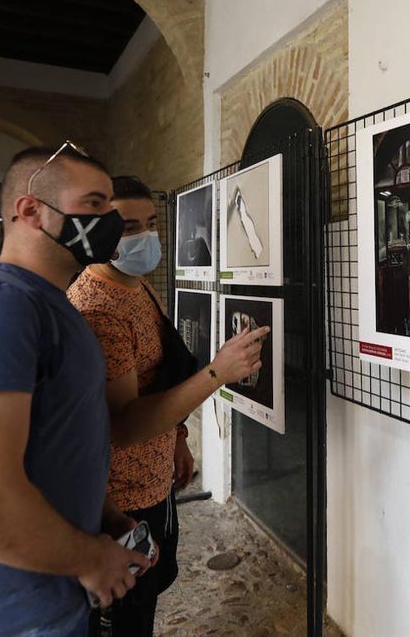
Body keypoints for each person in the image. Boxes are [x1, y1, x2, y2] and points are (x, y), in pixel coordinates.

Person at [0, 143, 152, 637]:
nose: (109, 219)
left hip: (49, 602)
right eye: (93, 203)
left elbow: (53, 442)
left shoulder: (51, 308)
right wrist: (90, 558)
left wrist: (102, 515)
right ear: (30, 210)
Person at [68, 175, 268, 637]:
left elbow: (158, 376)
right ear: (98, 232)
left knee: (147, 604)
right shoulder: (99, 310)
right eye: (129, 226)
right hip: (122, 502)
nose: (146, 236)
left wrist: (177, 438)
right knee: (124, 622)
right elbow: (124, 425)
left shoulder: (136, 284)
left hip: (155, 483)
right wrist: (217, 373)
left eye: (152, 223)